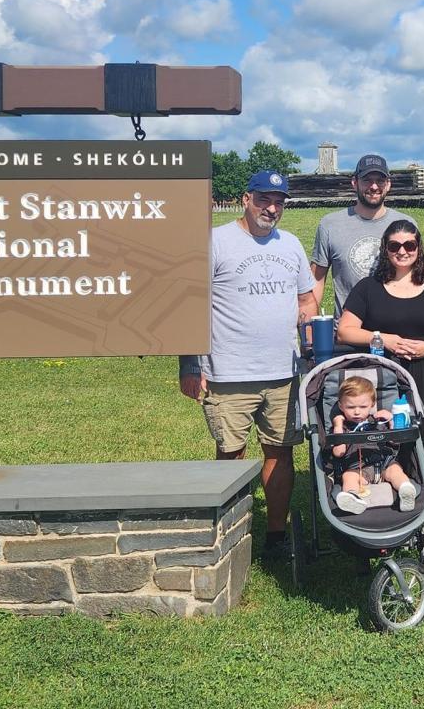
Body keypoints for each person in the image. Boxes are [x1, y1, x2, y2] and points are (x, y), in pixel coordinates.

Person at [179, 170, 315, 558]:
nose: (271, 208)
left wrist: (309, 335)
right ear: (246, 199)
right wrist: (189, 365)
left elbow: (306, 300)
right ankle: (230, 536)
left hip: (284, 373)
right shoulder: (215, 241)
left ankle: (275, 536)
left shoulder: (290, 244)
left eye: (279, 202)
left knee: (280, 453)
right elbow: (189, 304)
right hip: (228, 372)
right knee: (231, 455)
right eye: (264, 200)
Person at [337, 221, 424, 509]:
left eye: (409, 245)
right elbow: (345, 331)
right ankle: (395, 495)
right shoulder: (368, 288)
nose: (402, 251)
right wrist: (385, 339)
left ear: (418, 248)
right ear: (385, 249)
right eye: (394, 245)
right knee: (393, 435)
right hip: (388, 373)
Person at [310, 153, 415, 329]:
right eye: (367, 180)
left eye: (380, 181)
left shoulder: (406, 224)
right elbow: (316, 280)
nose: (374, 186)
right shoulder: (330, 225)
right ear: (355, 183)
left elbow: (416, 276)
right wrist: (310, 328)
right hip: (348, 332)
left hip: (395, 331)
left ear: (388, 184)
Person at [330, 375, 417, 514]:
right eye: (350, 407)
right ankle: (352, 498)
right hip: (358, 470)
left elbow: (395, 442)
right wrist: (338, 426)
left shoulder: (378, 422)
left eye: (363, 407)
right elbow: (338, 453)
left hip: (384, 464)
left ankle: (405, 490)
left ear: (372, 404)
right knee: (348, 477)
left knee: (395, 470)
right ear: (341, 406)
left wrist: (391, 421)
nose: (357, 411)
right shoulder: (343, 428)